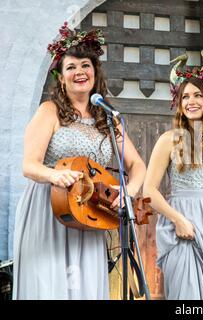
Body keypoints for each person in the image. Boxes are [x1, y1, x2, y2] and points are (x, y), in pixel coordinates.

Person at [13, 22, 146, 300]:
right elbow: (29, 165)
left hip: (90, 213)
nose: (79, 72)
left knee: (84, 287)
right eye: (70, 68)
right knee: (50, 287)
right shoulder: (49, 111)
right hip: (51, 209)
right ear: (61, 78)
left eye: (85, 65)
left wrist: (128, 192)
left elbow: (137, 165)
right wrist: (54, 176)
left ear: (95, 73)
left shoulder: (107, 119)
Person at [142, 51, 203, 300]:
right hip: (183, 229)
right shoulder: (168, 140)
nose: (191, 101)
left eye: (197, 95)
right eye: (185, 96)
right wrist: (177, 220)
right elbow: (148, 191)